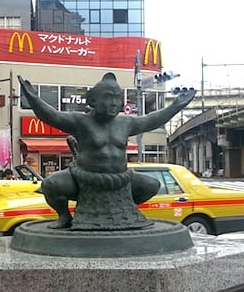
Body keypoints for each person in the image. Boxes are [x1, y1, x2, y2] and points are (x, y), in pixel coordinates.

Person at [18, 72, 196, 228]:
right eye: (108, 97)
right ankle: (64, 217)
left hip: (120, 180)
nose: (114, 103)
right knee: (50, 184)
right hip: (84, 178)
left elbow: (152, 120)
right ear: (93, 101)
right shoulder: (81, 122)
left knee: (151, 185)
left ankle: (120, 211)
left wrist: (176, 106)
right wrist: (34, 100)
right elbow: (53, 116)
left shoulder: (126, 122)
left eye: (117, 98)